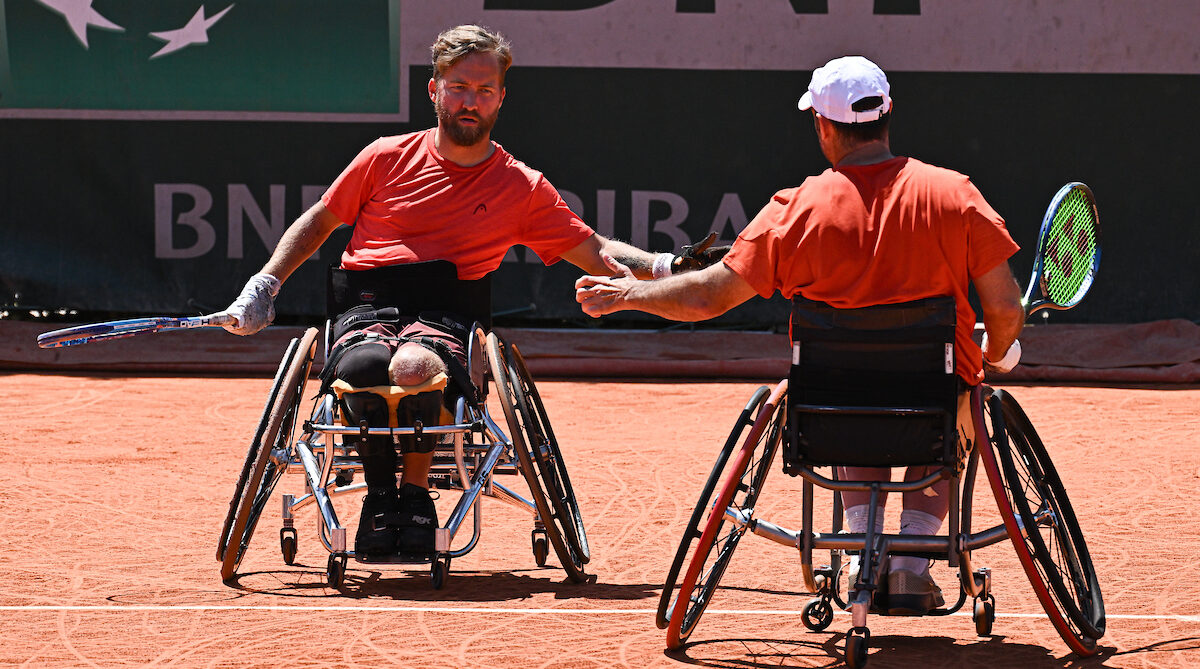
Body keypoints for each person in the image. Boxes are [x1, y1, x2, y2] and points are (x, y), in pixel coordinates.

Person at [220, 25, 725, 561]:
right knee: (363, 365)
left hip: (446, 311)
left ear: (501, 98)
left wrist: (666, 266)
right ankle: (380, 499)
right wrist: (264, 284)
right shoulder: (383, 157)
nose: (471, 102)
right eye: (459, 87)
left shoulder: (521, 187)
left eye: (485, 91)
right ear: (434, 89)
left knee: (414, 369)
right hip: (366, 302)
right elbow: (320, 221)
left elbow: (595, 248)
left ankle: (415, 498)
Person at [575, 55, 1026, 614]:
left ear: (823, 125)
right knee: (964, 391)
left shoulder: (795, 210)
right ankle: (909, 564)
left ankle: (862, 552)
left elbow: (705, 297)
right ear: (887, 115)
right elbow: (1005, 308)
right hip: (933, 403)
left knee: (852, 391)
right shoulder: (955, 194)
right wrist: (997, 357)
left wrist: (626, 295)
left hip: (829, 408)